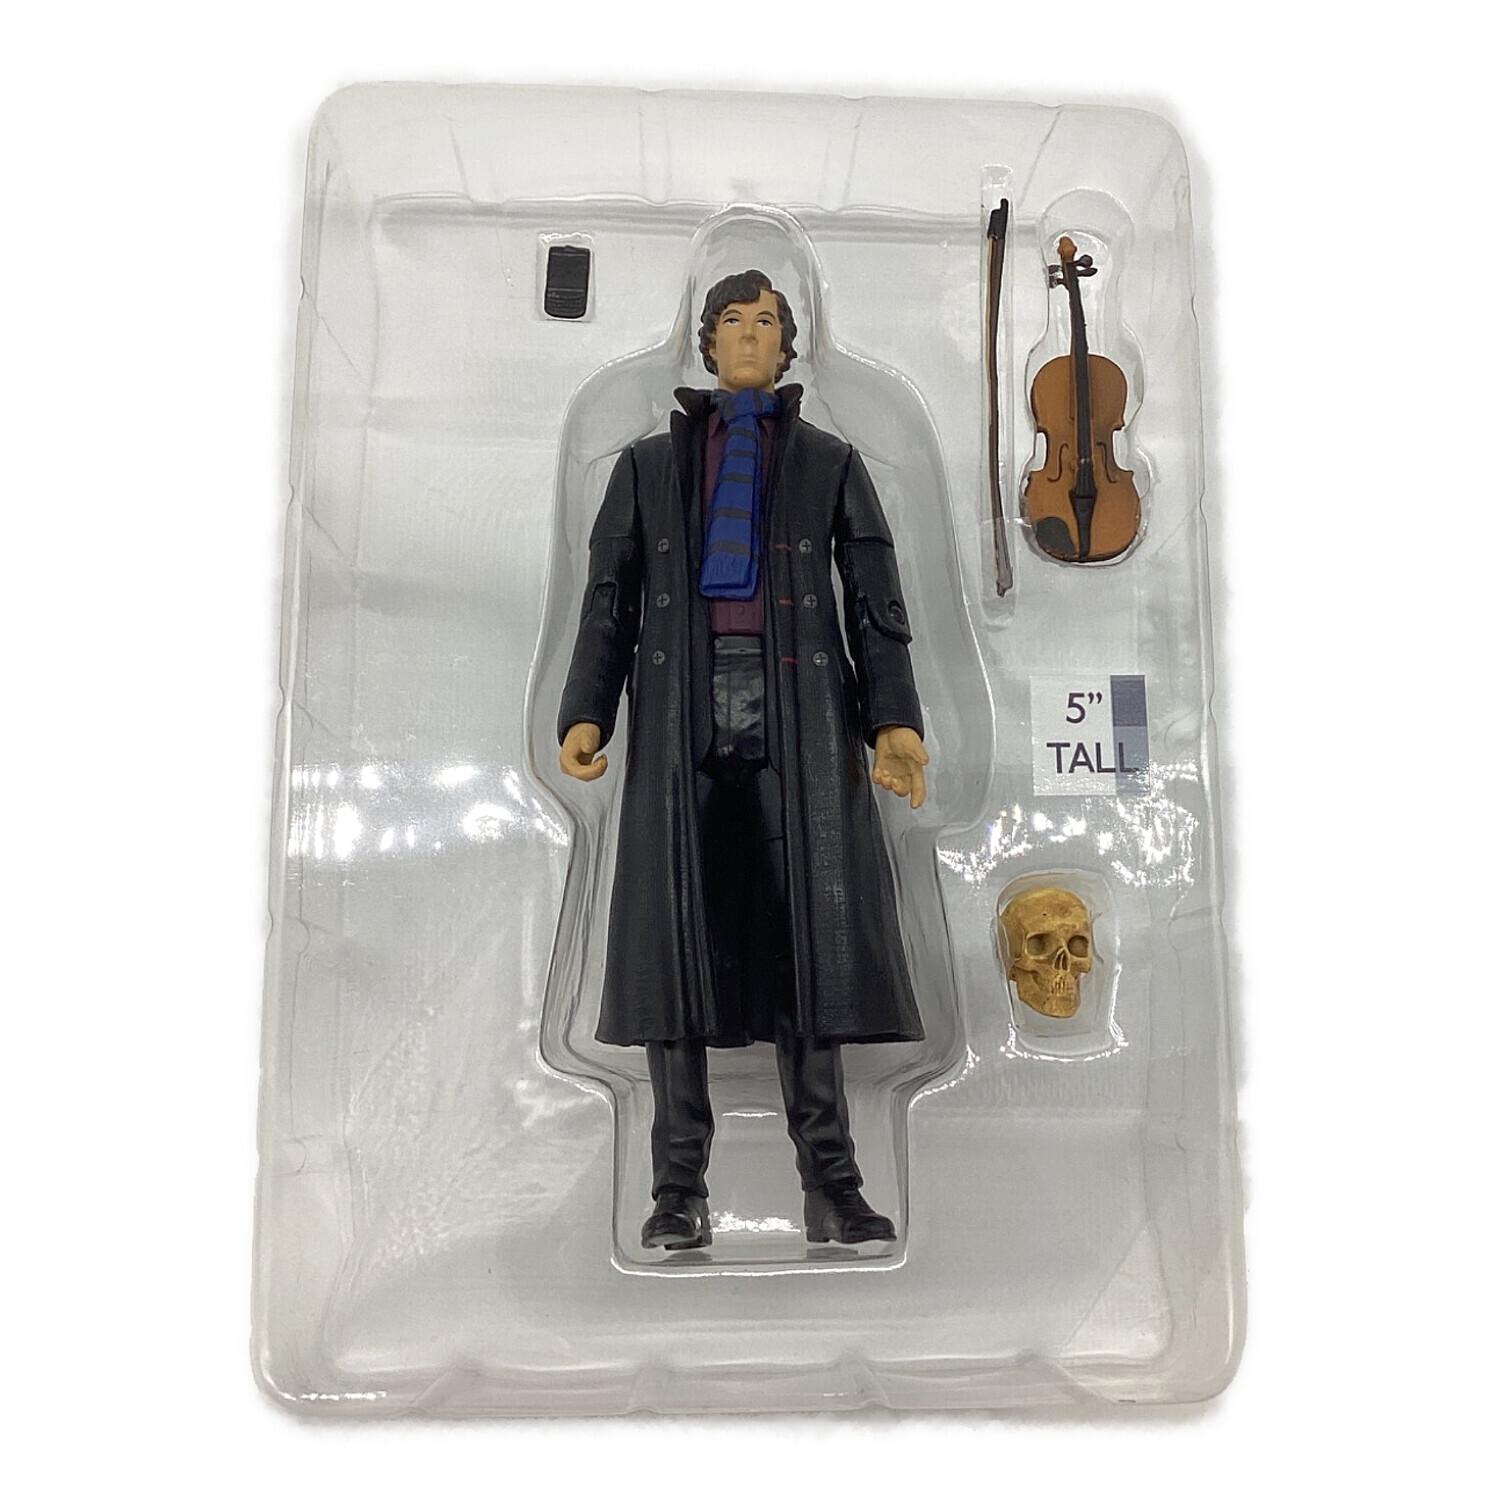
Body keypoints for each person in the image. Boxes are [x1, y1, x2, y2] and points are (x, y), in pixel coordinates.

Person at [558, 269, 929, 1250]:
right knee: (674, 948)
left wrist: (893, 723)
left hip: (800, 714)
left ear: (789, 344)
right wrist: (586, 712)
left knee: (813, 945)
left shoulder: (829, 463)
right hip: (680, 715)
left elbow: (877, 606)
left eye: (768, 321)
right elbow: (608, 604)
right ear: (708, 342)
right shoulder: (645, 468)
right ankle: (676, 1190)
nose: (752, 335)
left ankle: (833, 1185)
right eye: (734, 320)